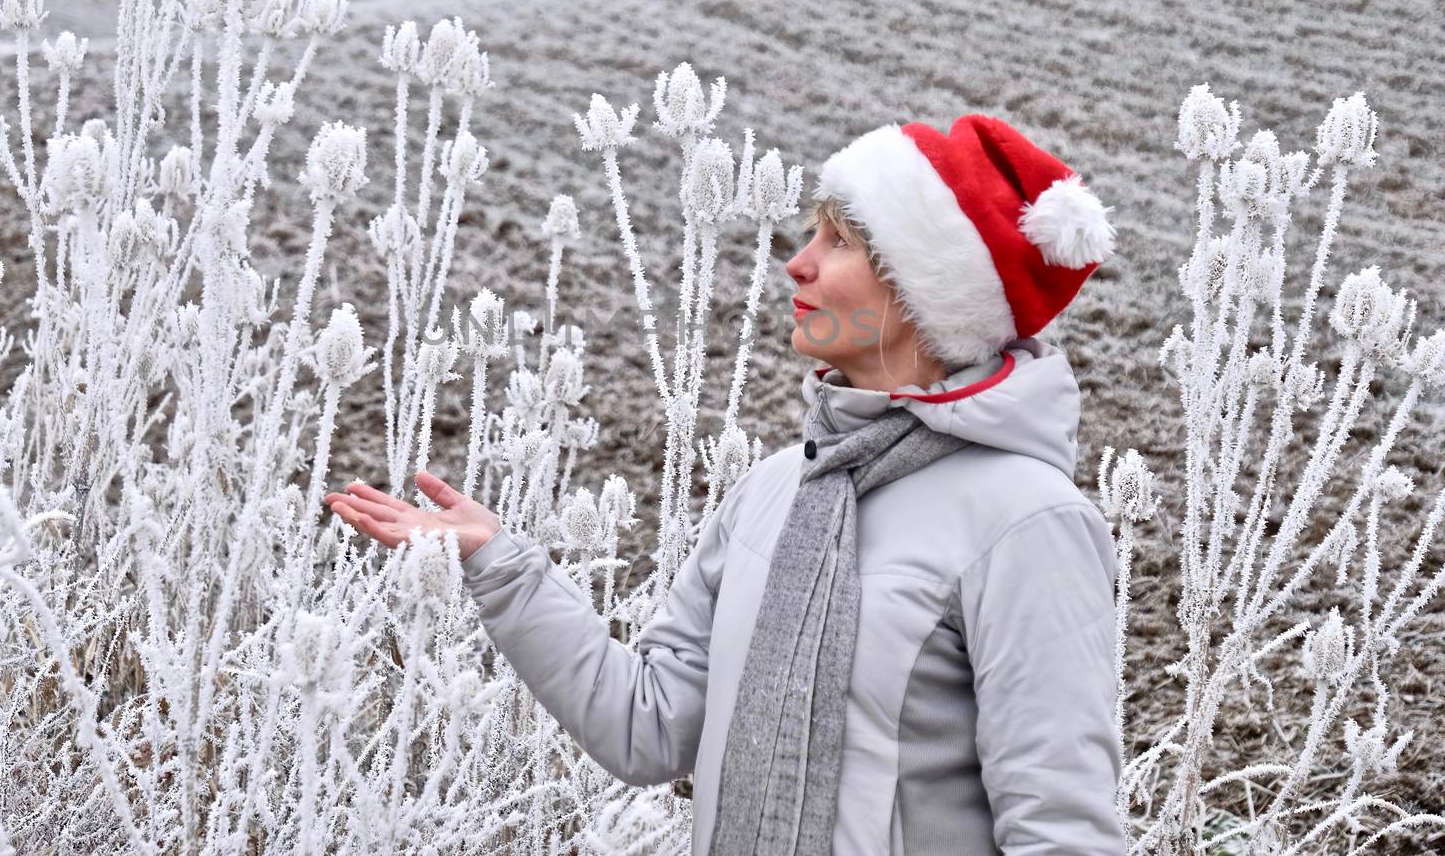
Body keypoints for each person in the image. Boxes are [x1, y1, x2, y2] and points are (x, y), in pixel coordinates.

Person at [327, 114, 1126, 855]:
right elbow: (648, 726)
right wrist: (500, 560)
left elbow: (1063, 830)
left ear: (923, 298)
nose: (798, 261)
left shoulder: (1027, 523)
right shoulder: (780, 489)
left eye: (838, 241)